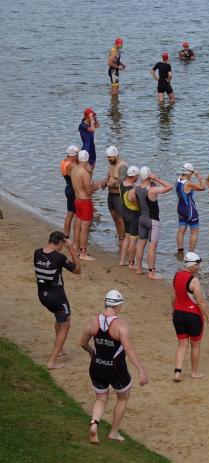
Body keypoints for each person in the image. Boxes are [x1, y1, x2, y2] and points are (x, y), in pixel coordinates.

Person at [79, 290, 149, 444]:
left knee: (101, 398)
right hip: (116, 369)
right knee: (123, 397)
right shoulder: (121, 325)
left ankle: (94, 425)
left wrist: (91, 352)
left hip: (96, 366)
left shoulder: (92, 321)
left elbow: (83, 343)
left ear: (106, 303)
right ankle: (113, 432)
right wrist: (141, 370)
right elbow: (128, 349)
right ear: (118, 305)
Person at [35, 231, 81, 369]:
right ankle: (52, 361)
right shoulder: (59, 257)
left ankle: (59, 349)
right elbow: (77, 270)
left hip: (42, 295)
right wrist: (71, 248)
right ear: (61, 243)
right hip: (57, 297)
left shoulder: (37, 253)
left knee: (59, 318)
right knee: (65, 324)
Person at [172, 252, 209, 382]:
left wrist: (173, 311)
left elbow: (173, 296)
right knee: (195, 345)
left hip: (178, 314)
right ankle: (194, 373)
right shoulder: (194, 280)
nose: (199, 266)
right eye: (197, 264)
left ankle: (177, 373)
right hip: (193, 316)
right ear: (191, 265)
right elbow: (200, 301)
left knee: (182, 344)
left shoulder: (177, 275)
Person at [134, 168, 172, 279]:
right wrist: (156, 178)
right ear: (149, 176)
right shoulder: (152, 190)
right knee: (152, 248)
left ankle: (138, 268)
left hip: (141, 219)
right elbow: (169, 187)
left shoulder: (137, 188)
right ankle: (151, 273)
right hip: (153, 221)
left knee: (141, 244)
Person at [71, 150, 106, 261]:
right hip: (85, 202)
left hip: (77, 200)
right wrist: (97, 185)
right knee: (85, 229)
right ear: (87, 160)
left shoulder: (74, 169)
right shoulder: (84, 173)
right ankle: (83, 253)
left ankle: (76, 248)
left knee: (78, 225)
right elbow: (88, 191)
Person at [175, 163, 205, 253]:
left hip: (180, 208)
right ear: (189, 173)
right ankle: (191, 253)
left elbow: (188, 185)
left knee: (181, 230)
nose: (192, 174)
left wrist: (190, 174)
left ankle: (180, 252)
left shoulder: (178, 180)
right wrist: (199, 176)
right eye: (192, 172)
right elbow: (203, 187)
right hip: (190, 210)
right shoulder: (188, 183)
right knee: (194, 232)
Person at [118, 165, 140, 267]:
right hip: (133, 215)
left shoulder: (121, 184)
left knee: (126, 237)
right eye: (138, 176)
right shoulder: (132, 190)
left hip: (124, 212)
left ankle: (122, 261)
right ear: (134, 176)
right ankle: (131, 263)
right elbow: (137, 205)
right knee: (133, 240)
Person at [104, 145, 128, 242]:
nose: (108, 159)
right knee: (115, 218)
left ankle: (126, 239)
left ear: (116, 156)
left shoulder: (123, 166)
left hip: (119, 196)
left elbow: (123, 183)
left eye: (110, 157)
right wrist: (103, 183)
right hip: (110, 196)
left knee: (121, 219)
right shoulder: (111, 165)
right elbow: (108, 178)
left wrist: (112, 184)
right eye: (108, 157)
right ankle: (120, 237)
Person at [60, 145, 79, 239]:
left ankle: (66, 236)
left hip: (68, 187)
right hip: (73, 190)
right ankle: (76, 237)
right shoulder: (72, 165)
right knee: (76, 215)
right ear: (74, 155)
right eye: (77, 155)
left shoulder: (63, 162)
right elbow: (77, 179)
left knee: (69, 213)